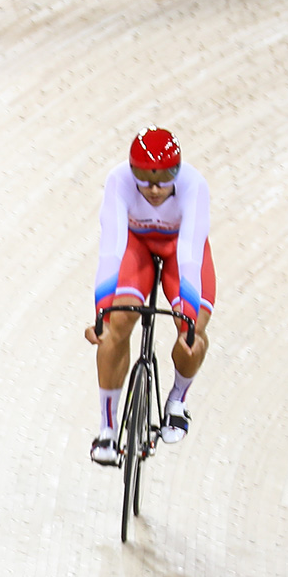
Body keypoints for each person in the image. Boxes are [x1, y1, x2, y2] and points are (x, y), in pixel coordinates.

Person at [88, 127, 213, 461]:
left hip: (179, 251)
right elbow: (111, 249)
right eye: (143, 178)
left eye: (164, 178)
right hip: (136, 247)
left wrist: (187, 322)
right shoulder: (118, 181)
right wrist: (101, 313)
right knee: (114, 327)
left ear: (178, 171)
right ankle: (107, 430)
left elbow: (189, 255)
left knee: (193, 333)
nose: (154, 189)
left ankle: (177, 399)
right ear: (132, 172)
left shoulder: (194, 186)